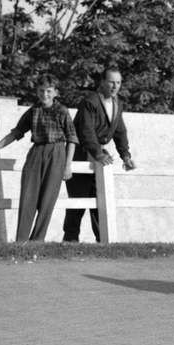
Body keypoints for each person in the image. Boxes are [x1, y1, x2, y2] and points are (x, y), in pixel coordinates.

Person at [0, 79, 77, 242]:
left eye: (48, 91)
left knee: (47, 200)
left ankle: (36, 242)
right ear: (37, 91)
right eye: (41, 90)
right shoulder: (33, 111)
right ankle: (21, 241)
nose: (44, 94)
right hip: (36, 151)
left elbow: (72, 139)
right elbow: (16, 132)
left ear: (55, 93)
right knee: (28, 196)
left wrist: (67, 166)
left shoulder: (62, 111)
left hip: (57, 152)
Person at [62, 64, 136, 243]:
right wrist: (98, 153)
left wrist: (126, 156)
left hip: (99, 156)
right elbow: (86, 132)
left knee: (100, 202)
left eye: (118, 82)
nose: (115, 86)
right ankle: (69, 242)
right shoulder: (90, 101)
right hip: (80, 154)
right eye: (111, 82)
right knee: (78, 202)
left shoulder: (118, 103)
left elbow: (120, 132)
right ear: (102, 82)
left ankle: (103, 243)